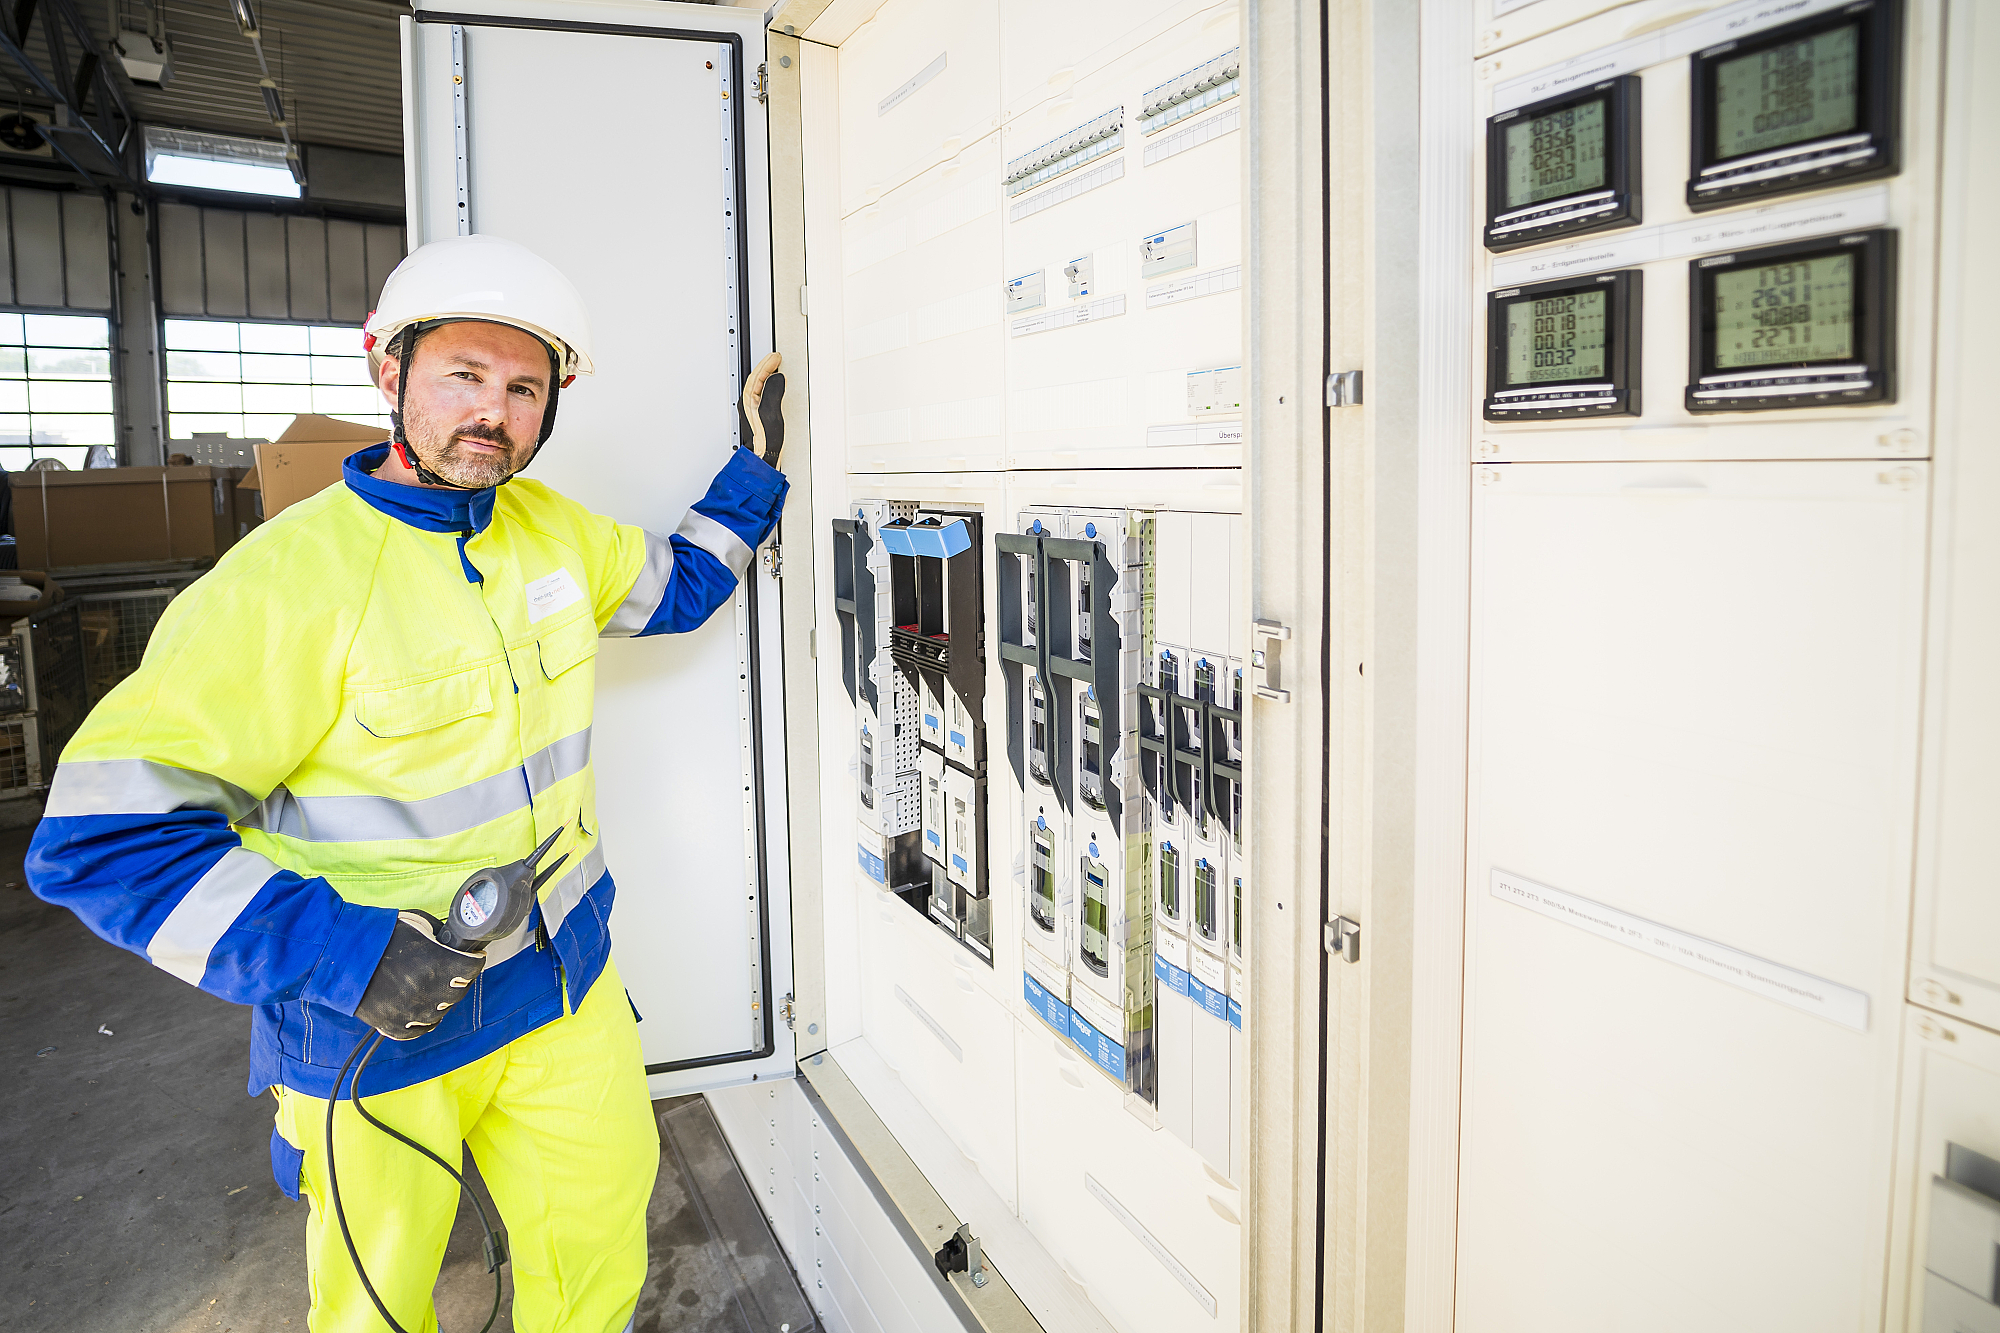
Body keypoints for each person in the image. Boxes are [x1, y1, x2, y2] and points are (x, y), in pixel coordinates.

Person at [24, 234, 789, 1333]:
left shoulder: (551, 534)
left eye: (524, 387)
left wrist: (757, 467)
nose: (495, 413)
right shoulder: (284, 584)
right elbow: (102, 839)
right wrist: (346, 952)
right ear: (388, 373)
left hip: (561, 996)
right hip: (374, 1033)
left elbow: (679, 586)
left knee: (597, 1263)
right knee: (375, 1311)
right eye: (463, 378)